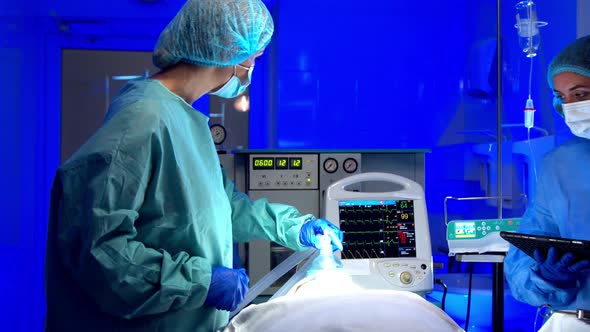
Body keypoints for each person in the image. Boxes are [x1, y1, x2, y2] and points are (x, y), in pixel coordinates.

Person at [44, 0, 343, 331]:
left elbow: (222, 210)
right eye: (255, 59)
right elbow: (100, 254)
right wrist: (200, 282)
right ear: (230, 51)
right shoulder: (144, 118)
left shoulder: (187, 121)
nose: (252, 69)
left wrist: (294, 228)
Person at [504, 35, 590, 312]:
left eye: (580, 94)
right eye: (561, 96)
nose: (570, 107)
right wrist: (547, 275)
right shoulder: (562, 164)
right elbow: (523, 259)